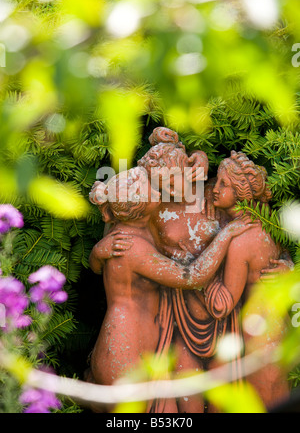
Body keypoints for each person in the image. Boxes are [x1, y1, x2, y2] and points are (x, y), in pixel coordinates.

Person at [88, 166, 256, 412]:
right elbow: (191, 276)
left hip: (147, 352)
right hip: (124, 354)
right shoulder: (132, 246)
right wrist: (226, 234)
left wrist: (205, 178)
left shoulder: (125, 231)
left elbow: (98, 267)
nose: (158, 185)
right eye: (152, 187)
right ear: (142, 204)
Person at [203, 150, 291, 409]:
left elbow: (223, 304)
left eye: (223, 185)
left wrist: (202, 276)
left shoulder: (240, 242)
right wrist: (287, 264)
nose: (215, 189)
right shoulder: (268, 223)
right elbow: (283, 252)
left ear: (240, 193)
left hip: (258, 336)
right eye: (215, 182)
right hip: (279, 328)